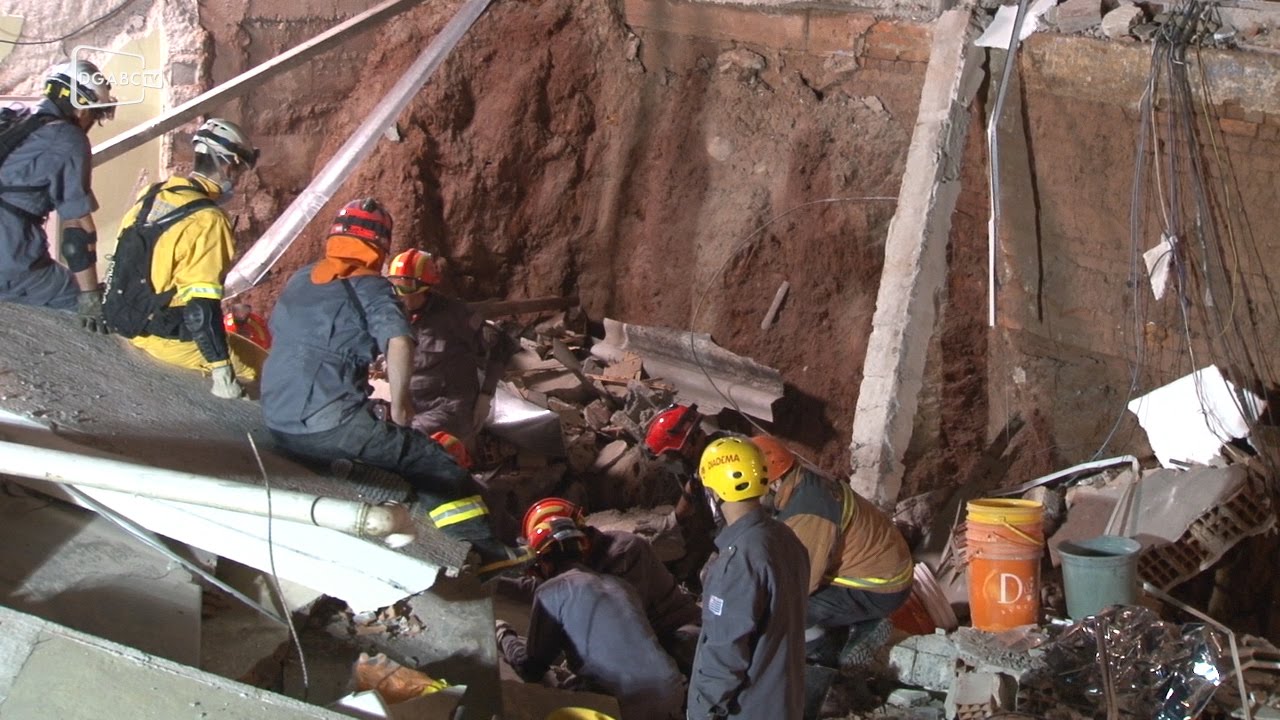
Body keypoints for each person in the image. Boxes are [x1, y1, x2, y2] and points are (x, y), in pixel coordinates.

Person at [260, 198, 523, 577]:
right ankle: (487, 553)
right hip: (330, 422)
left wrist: (484, 395)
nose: (403, 295)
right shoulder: (370, 289)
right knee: (434, 464)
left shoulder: (302, 279)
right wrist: (399, 406)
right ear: (379, 247)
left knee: (418, 453)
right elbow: (399, 342)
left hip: (278, 416)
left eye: (411, 289)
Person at [115, 118, 260, 398]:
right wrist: (222, 372)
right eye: (240, 169)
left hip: (132, 319)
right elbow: (201, 307)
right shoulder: (208, 220)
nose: (238, 177)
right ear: (228, 165)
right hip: (167, 336)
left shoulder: (153, 194)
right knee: (267, 369)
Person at [495, 515, 686, 720]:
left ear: (544, 562)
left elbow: (531, 668)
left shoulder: (551, 590)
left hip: (626, 706)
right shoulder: (620, 585)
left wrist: (503, 634)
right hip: (673, 693)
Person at [751, 435, 913, 670]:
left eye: (756, 490)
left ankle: (832, 659)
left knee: (785, 613)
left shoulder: (809, 512)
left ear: (774, 483)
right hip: (881, 571)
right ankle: (851, 626)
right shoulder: (804, 482)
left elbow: (800, 583)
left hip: (878, 588)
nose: (754, 499)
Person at [501, 497, 702, 673]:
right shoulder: (576, 562)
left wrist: (505, 636)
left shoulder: (624, 553)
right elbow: (542, 587)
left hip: (673, 630)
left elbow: (625, 627)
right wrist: (493, 583)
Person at [687, 437, 809, 720]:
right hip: (784, 703)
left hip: (749, 710)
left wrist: (701, 711)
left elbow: (724, 656)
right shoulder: (784, 536)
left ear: (714, 493)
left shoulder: (738, 560)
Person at [0, 60, 114, 330]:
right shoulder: (68, 138)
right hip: (9, 255)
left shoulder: (12, 116)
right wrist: (90, 297)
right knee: (86, 303)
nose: (91, 122)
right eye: (94, 114)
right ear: (82, 107)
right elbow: (78, 231)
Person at [384, 248, 504, 447]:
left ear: (424, 288)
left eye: (405, 289)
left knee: (406, 442)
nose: (399, 296)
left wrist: (486, 395)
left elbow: (502, 344)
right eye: (394, 287)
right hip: (412, 405)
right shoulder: (396, 314)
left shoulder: (455, 316)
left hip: (449, 409)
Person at [639, 404, 718, 586]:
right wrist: (673, 519)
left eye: (671, 455)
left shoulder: (720, 463)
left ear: (687, 444)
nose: (671, 460)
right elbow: (694, 485)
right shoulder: (704, 456)